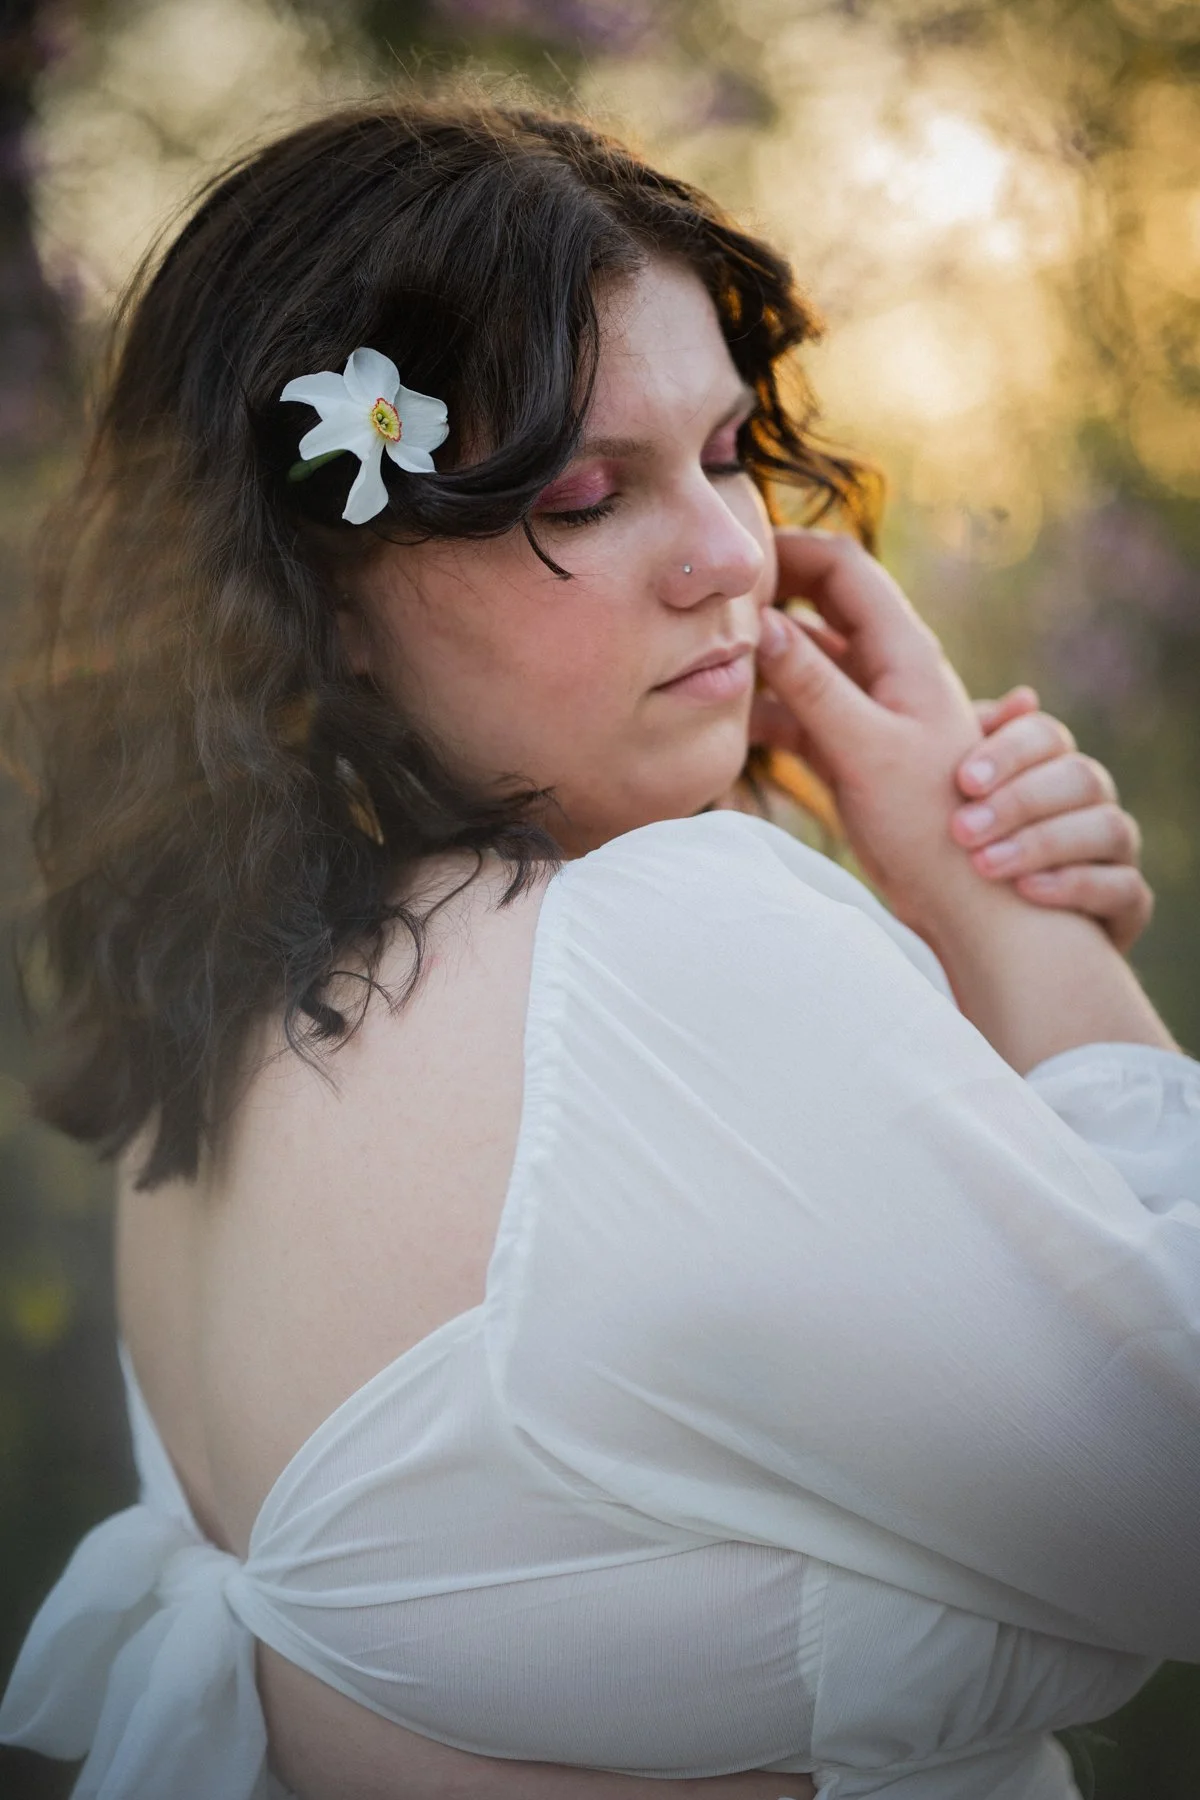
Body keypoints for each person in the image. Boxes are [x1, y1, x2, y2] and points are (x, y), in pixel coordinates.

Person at [1, 94, 1196, 1800]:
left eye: (726, 452)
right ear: (326, 590)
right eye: (585, 490)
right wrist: (1010, 916)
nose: (732, 557)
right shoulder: (651, 964)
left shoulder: (209, 1049)